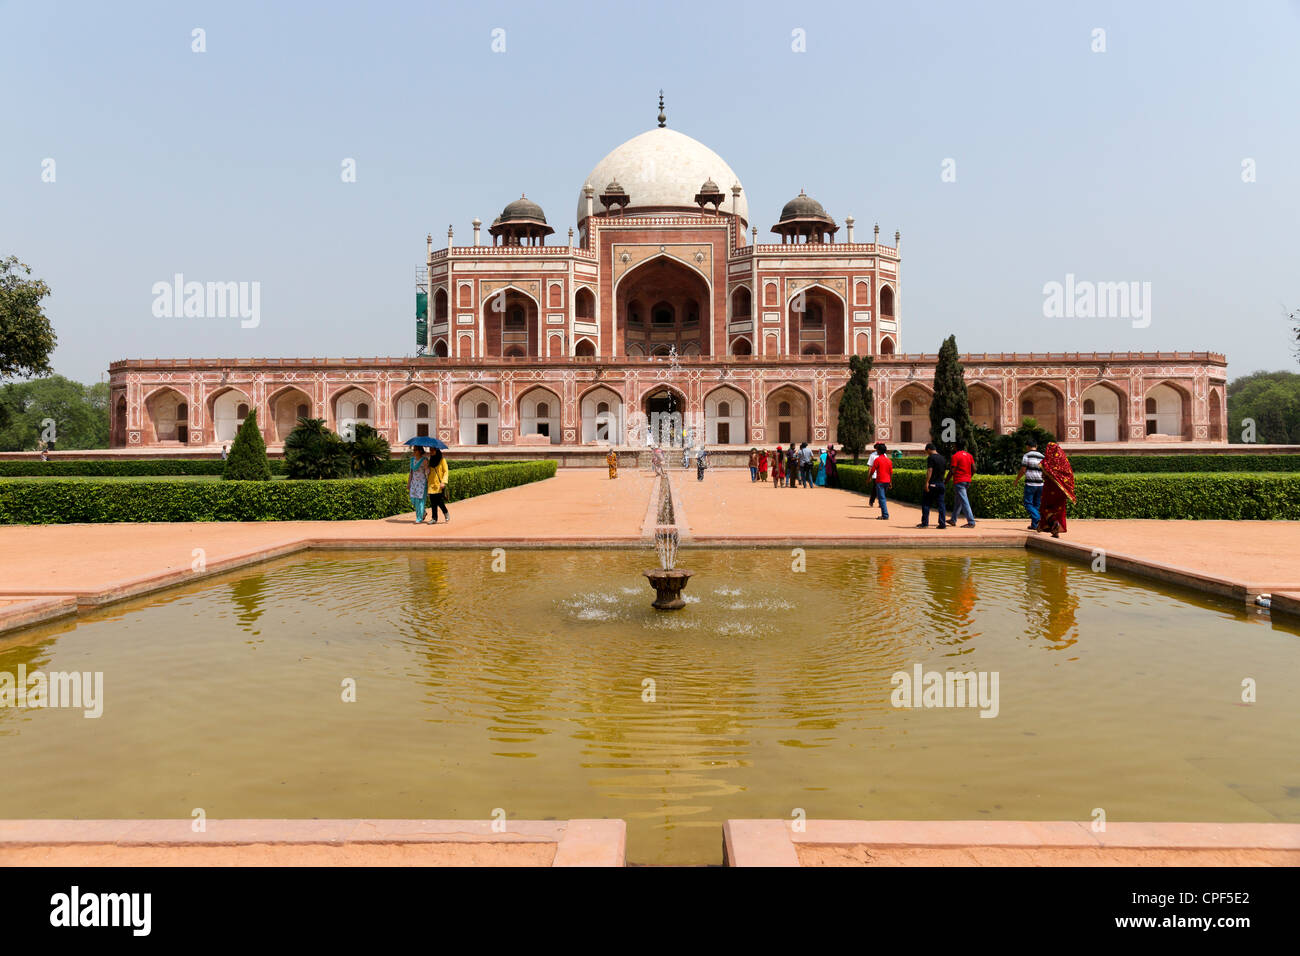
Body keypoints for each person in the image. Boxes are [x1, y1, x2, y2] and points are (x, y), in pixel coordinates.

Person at [1038, 442, 1075, 538]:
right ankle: (1055, 531)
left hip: (1050, 489)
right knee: (1059, 510)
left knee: (1045, 508)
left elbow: (1043, 475)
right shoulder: (1064, 463)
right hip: (1062, 491)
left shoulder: (1046, 463)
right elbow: (1070, 476)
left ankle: (1054, 522)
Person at [1015, 440, 1046, 531]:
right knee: (1036, 504)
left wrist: (1017, 480)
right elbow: (1045, 471)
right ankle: (1034, 525)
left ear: (1027, 447)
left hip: (1030, 483)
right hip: (1040, 483)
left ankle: (1037, 517)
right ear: (1036, 446)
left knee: (1027, 503)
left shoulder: (1026, 455)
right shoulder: (1042, 456)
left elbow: (1023, 470)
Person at [917, 442, 948, 529]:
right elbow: (945, 471)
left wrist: (927, 482)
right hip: (941, 483)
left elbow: (930, 470)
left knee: (926, 503)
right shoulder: (943, 458)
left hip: (933, 483)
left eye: (927, 451)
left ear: (929, 450)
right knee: (941, 505)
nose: (927, 453)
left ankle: (925, 523)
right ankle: (942, 524)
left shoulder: (931, 458)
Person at [947, 440, 977, 528]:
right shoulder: (969, 455)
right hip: (967, 480)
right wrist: (969, 476)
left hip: (959, 481)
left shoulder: (955, 456)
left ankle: (971, 522)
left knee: (964, 501)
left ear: (956, 446)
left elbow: (952, 471)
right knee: (958, 501)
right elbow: (974, 469)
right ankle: (953, 519)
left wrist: (946, 481)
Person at [869, 443, 893, 520]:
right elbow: (890, 472)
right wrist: (890, 482)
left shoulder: (877, 459)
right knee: (883, 497)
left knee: (882, 498)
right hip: (887, 481)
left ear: (879, 451)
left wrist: (869, 477)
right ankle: (884, 514)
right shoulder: (889, 460)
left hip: (880, 481)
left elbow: (872, 470)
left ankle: (885, 515)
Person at [427, 447, 450, 523]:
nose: (431, 452)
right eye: (430, 450)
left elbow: (446, 471)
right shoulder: (430, 460)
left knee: (439, 501)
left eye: (432, 450)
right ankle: (434, 518)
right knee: (433, 502)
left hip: (439, 484)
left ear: (436, 451)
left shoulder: (442, 460)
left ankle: (445, 512)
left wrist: (443, 482)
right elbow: (429, 472)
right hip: (431, 483)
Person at [408, 446, 430, 523]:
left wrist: (427, 469)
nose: (414, 451)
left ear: (420, 451)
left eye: (415, 450)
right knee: (413, 500)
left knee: (420, 500)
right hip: (414, 483)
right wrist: (409, 483)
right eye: (413, 450)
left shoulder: (424, 460)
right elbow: (411, 473)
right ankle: (423, 512)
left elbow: (427, 471)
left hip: (422, 483)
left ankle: (419, 518)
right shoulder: (412, 460)